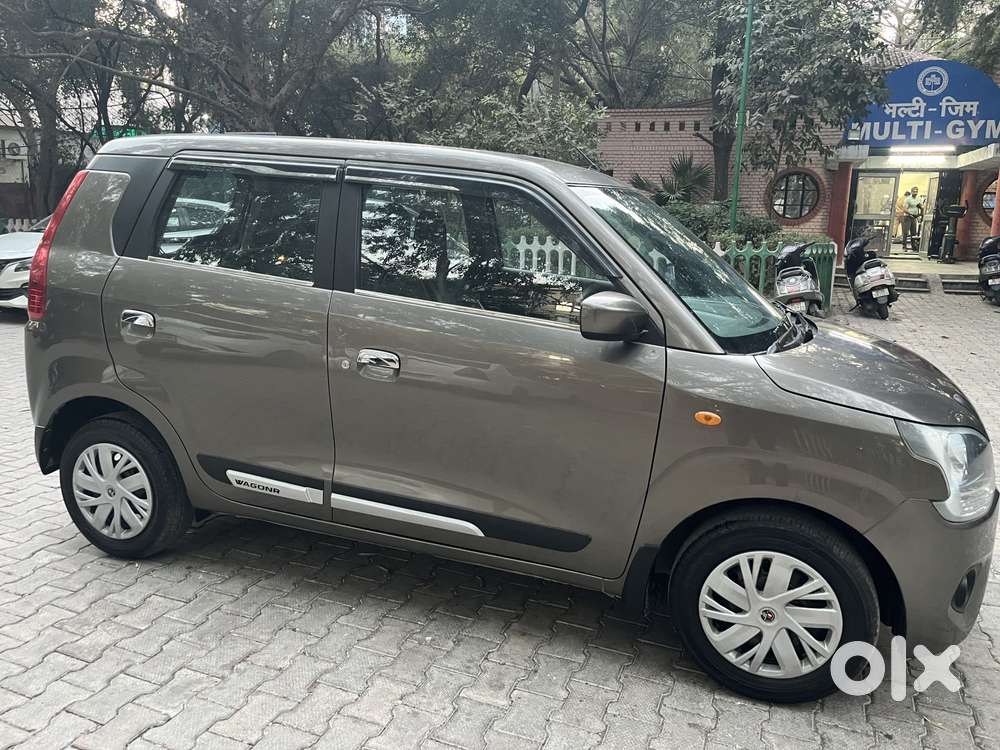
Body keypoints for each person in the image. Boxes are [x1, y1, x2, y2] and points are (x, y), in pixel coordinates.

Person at [901, 186, 922, 251]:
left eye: (916, 191)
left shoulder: (918, 199)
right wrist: (910, 214)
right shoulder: (908, 199)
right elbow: (904, 209)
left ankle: (914, 246)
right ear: (911, 191)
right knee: (906, 232)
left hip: (914, 217)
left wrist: (920, 215)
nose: (915, 193)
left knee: (914, 233)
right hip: (907, 217)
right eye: (914, 191)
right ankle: (904, 246)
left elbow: (921, 207)